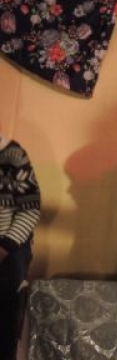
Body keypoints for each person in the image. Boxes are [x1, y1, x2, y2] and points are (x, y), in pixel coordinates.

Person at [0, 122, 40, 360]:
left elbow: (30, 209)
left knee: (6, 297)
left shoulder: (13, 155)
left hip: (10, 243)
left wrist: (4, 248)